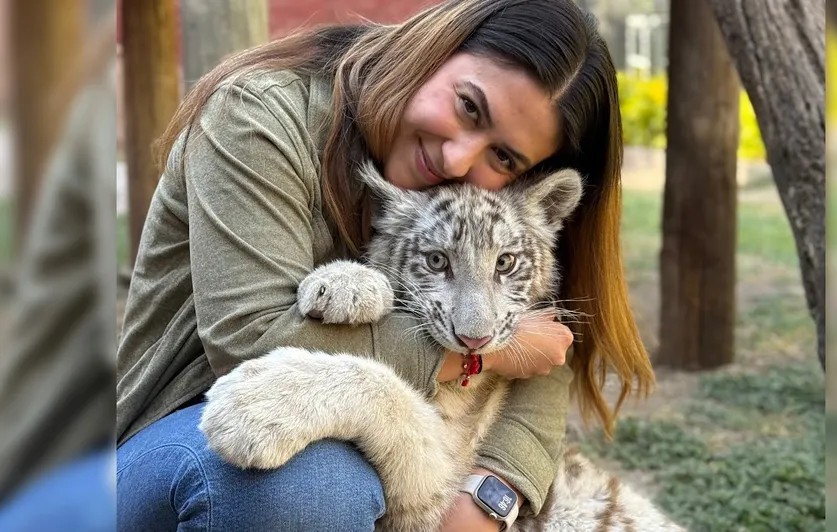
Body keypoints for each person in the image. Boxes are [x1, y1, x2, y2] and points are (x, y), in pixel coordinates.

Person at [116, 0, 655, 530]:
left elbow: (543, 338)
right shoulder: (257, 116)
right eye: (469, 107)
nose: (457, 160)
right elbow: (249, 340)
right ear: (439, 47)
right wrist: (482, 360)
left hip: (395, 466)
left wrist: (492, 498)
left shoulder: (480, 210)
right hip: (173, 437)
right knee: (315, 486)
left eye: (504, 157)